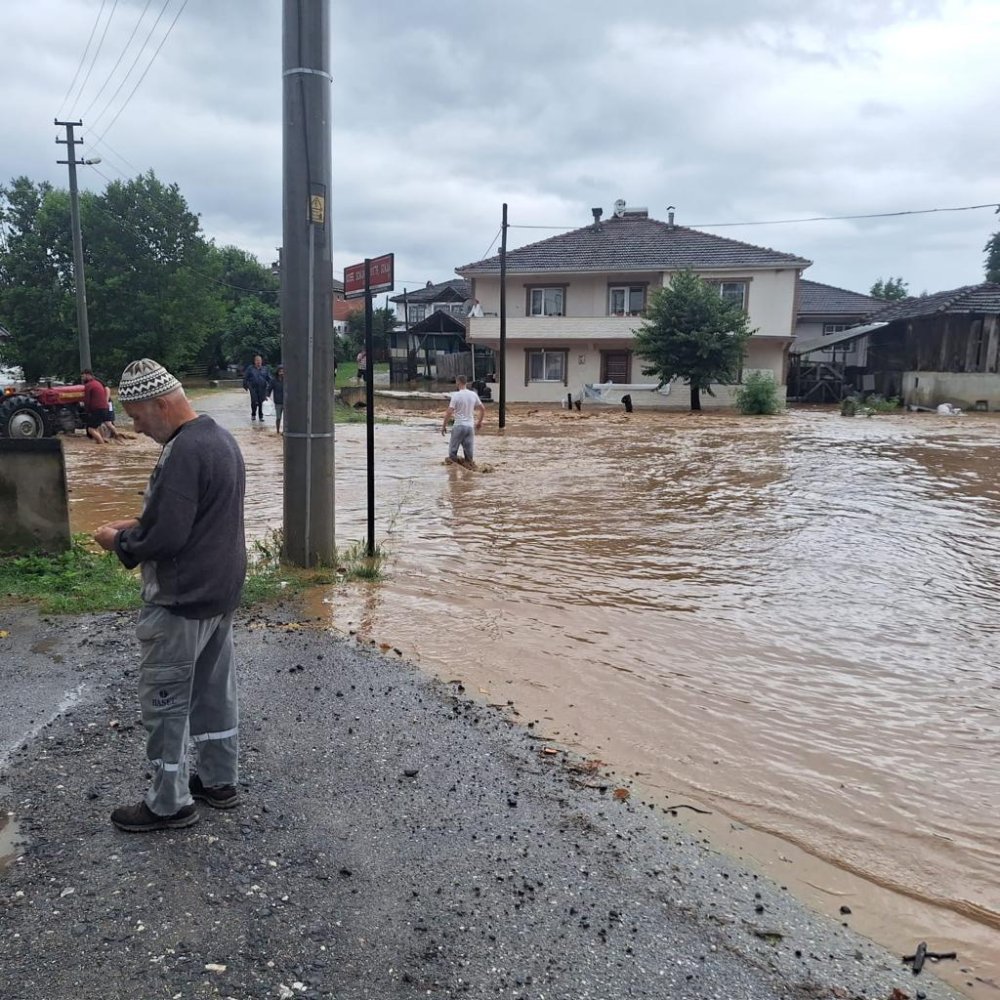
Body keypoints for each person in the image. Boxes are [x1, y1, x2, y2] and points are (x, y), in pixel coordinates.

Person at [93, 358, 246, 833]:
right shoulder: (219, 439)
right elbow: (198, 519)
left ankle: (168, 804)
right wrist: (141, 523)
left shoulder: (182, 451)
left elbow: (168, 540)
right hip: (218, 595)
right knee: (214, 695)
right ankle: (219, 782)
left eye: (137, 417)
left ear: (161, 404)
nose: (136, 429)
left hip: (180, 602)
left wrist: (117, 541)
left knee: (165, 704)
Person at [441, 374, 485, 467]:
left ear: (458, 382)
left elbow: (449, 412)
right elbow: (483, 409)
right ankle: (468, 477)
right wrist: (479, 422)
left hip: (459, 426)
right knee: (469, 458)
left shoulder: (456, 395)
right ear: (466, 383)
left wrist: (444, 426)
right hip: (470, 427)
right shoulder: (473, 394)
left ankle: (453, 475)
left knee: (452, 453)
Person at [81, 369, 108, 444]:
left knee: (91, 429)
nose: (82, 378)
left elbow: (87, 401)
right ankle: (104, 441)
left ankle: (101, 445)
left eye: (83, 376)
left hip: (97, 410)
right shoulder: (98, 383)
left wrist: (87, 411)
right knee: (98, 426)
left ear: (88, 375)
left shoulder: (88, 385)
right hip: (104, 408)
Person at [242, 354, 271, 421]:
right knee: (254, 401)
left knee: (261, 402)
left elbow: (269, 378)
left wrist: (271, 386)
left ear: (261, 361)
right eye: (257, 360)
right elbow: (245, 377)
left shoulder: (265, 369)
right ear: (254, 361)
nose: (258, 362)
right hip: (253, 387)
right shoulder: (250, 368)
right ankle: (253, 414)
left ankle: (261, 416)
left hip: (262, 388)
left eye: (260, 360)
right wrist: (245, 386)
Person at [270, 364, 285, 434]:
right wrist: (266, 396)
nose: (281, 373)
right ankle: (278, 431)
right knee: (278, 417)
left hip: (286, 402)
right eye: (280, 371)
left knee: (287, 419)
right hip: (278, 402)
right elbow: (269, 389)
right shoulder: (274, 381)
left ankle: (285, 431)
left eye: (283, 371)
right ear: (277, 372)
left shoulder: (287, 381)